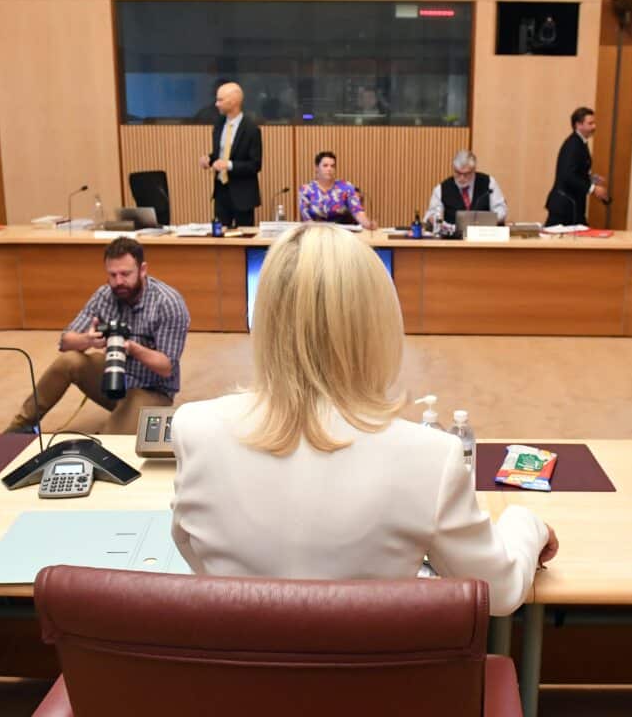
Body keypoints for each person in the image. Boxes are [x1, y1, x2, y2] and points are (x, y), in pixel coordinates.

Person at [170, 223, 557, 616]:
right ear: (377, 324)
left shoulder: (194, 428)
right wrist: (528, 524)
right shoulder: (431, 456)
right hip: (376, 677)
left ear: (264, 318)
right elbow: (500, 591)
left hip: (237, 674)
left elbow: (194, 555)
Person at [5, 238, 190, 435]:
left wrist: (132, 348)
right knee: (69, 360)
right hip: (113, 377)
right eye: (112, 275)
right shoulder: (105, 295)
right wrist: (88, 340)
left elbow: (166, 367)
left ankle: (124, 422)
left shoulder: (168, 303)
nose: (119, 282)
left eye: (126, 274)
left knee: (110, 446)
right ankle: (19, 427)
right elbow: (65, 342)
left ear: (143, 270)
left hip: (152, 391)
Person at [198, 82, 262, 227]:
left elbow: (255, 165)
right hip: (221, 192)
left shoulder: (251, 129)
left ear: (233, 102)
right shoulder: (219, 125)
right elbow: (219, 154)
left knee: (244, 239)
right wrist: (209, 159)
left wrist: (229, 165)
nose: (216, 104)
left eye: (220, 100)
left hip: (243, 194)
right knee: (219, 235)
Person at [545, 106, 607, 226]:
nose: (594, 127)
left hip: (572, 206)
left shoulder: (580, 142)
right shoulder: (573, 145)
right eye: (590, 123)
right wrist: (593, 189)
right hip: (565, 207)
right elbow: (568, 175)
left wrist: (591, 179)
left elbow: (576, 171)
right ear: (578, 125)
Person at [424, 150, 508, 227]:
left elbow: (501, 209)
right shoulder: (441, 189)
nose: (462, 178)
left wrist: (490, 221)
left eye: (466, 174)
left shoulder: (489, 183)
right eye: (458, 173)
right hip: (453, 239)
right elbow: (431, 215)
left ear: (474, 170)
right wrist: (434, 219)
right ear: (453, 168)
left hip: (483, 237)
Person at [298, 151, 377, 229]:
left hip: (342, 234)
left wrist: (368, 224)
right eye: (325, 166)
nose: (329, 169)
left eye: (332, 166)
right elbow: (306, 219)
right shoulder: (306, 190)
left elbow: (358, 212)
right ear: (317, 168)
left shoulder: (346, 187)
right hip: (316, 233)